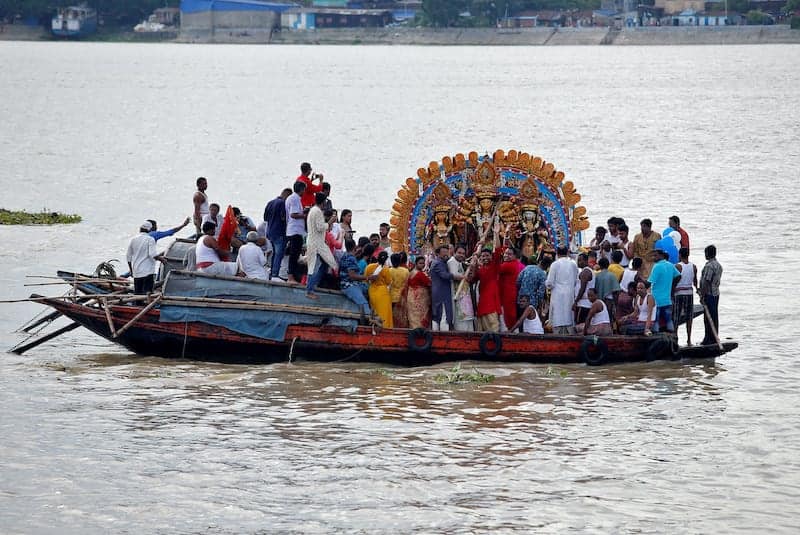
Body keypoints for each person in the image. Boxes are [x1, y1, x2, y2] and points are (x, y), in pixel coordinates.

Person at [469, 226, 504, 332]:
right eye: (482, 256)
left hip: (491, 302)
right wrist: (474, 264)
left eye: (487, 256)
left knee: (494, 328)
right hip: (482, 301)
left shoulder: (494, 267)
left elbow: (497, 251)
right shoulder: (480, 269)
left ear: (491, 257)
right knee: (482, 329)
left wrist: (496, 234)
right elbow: (472, 279)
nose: (485, 258)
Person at [305, 193, 338, 299]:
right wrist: (329, 222)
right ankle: (309, 290)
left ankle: (313, 285)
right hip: (316, 243)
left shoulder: (313, 210)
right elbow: (320, 227)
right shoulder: (318, 211)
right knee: (313, 266)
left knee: (326, 263)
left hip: (316, 241)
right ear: (323, 202)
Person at [546, 246, 578, 334]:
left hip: (557, 297)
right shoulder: (573, 264)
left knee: (558, 319)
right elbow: (576, 280)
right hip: (570, 295)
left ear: (557, 253)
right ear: (567, 252)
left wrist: (547, 285)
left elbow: (549, 283)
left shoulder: (555, 264)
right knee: (569, 319)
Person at [647, 248, 681, 333]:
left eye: (656, 255)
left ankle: (657, 340)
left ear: (661, 256)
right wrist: (673, 287)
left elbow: (649, 282)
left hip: (656, 300)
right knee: (669, 322)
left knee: (656, 323)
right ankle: (673, 338)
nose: (654, 257)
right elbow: (678, 276)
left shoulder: (657, 266)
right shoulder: (670, 265)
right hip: (667, 300)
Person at [263, 188, 291, 280]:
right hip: (280, 232)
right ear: (287, 196)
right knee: (279, 255)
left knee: (275, 254)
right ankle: (275, 275)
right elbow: (284, 218)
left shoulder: (270, 202)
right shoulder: (283, 203)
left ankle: (272, 273)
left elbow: (265, 218)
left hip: (270, 232)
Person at [126, 221, 162, 294]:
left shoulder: (133, 239)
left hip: (136, 272)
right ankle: (147, 303)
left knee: (138, 293)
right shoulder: (150, 239)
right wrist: (162, 259)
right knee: (148, 292)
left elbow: (128, 256)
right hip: (148, 272)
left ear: (140, 229)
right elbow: (153, 255)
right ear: (149, 230)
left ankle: (138, 303)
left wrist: (131, 270)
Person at [339, 238, 371, 315]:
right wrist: (368, 277)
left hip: (348, 283)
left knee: (369, 289)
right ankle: (368, 320)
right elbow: (352, 276)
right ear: (355, 247)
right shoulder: (351, 258)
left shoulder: (344, 255)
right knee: (363, 303)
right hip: (348, 285)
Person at [448, 244, 475, 332]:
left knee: (468, 317)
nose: (461, 255)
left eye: (463, 254)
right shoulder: (451, 262)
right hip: (457, 294)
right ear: (454, 253)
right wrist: (465, 276)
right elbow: (455, 276)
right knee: (460, 319)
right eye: (459, 253)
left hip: (465, 294)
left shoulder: (461, 263)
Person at [699, 244, 723, 346]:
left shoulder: (709, 266)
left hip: (709, 294)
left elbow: (707, 282)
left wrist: (702, 296)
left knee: (708, 318)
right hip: (716, 293)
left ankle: (708, 339)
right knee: (714, 316)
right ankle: (714, 336)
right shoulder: (718, 265)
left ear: (708, 254)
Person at [674, 247, 698, 345]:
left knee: (676, 317)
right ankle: (689, 339)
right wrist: (697, 289)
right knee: (689, 318)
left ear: (679, 255)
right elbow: (695, 281)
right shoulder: (694, 266)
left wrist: (672, 291)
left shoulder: (678, 266)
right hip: (689, 293)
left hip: (679, 294)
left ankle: (675, 338)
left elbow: (675, 280)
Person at [285, 181, 307, 284]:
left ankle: (292, 275)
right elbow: (293, 214)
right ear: (301, 189)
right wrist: (304, 215)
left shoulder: (292, 198)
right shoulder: (295, 198)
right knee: (294, 254)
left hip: (294, 230)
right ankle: (290, 277)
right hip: (295, 230)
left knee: (295, 254)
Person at [499, 247, 525, 331]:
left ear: (515, 256)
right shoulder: (520, 265)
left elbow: (495, 270)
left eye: (509, 254)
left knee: (507, 317)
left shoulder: (509, 265)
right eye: (505, 253)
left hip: (507, 295)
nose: (506, 255)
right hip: (514, 293)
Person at [365, 251, 393, 328]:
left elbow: (365, 278)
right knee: (385, 312)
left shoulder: (369, 267)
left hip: (372, 290)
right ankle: (386, 327)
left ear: (377, 257)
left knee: (375, 310)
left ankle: (375, 327)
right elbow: (388, 282)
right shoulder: (386, 269)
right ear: (386, 259)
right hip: (382, 292)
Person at [429, 245, 454, 331]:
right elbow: (445, 275)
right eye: (444, 253)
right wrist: (458, 276)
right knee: (443, 314)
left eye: (447, 253)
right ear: (438, 254)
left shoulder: (438, 262)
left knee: (437, 315)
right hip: (442, 293)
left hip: (438, 292)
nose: (446, 255)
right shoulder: (438, 263)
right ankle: (444, 337)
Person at [406, 256, 432, 329]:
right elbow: (429, 283)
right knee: (420, 316)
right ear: (416, 263)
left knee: (413, 316)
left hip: (411, 297)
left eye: (423, 263)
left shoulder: (411, 272)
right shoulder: (420, 274)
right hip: (419, 299)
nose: (422, 265)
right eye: (420, 263)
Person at [593, 257, 621, 323]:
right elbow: (616, 290)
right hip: (609, 300)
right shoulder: (612, 275)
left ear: (599, 265)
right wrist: (616, 303)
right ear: (608, 265)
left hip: (599, 300)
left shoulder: (597, 276)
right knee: (609, 317)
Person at [389, 252, 409, 328]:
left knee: (393, 315)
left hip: (392, 295)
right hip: (402, 295)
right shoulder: (406, 271)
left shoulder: (389, 270)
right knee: (402, 314)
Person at [574, 253, 595, 325]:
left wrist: (576, 301)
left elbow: (582, 288)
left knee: (580, 325)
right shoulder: (586, 270)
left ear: (586, 261)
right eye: (578, 260)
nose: (578, 262)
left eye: (580, 260)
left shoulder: (585, 272)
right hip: (585, 303)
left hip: (584, 304)